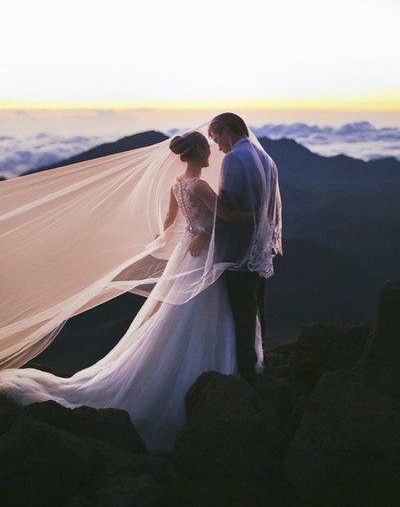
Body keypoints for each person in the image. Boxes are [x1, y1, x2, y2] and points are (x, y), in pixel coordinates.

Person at [0, 130, 264, 454]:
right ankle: (212, 374)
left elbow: (168, 224)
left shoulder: (178, 184)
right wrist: (257, 215)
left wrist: (185, 236)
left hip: (186, 256)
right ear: (197, 153)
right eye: (207, 149)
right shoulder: (200, 186)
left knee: (174, 321)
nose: (211, 154)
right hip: (201, 258)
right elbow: (225, 217)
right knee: (200, 317)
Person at [207, 113, 282, 382]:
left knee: (241, 308)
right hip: (260, 248)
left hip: (239, 247)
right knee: (256, 304)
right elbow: (270, 207)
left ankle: (246, 368)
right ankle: (259, 358)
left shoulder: (234, 159)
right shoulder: (267, 159)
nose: (218, 147)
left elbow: (228, 202)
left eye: (216, 138)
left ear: (227, 130)